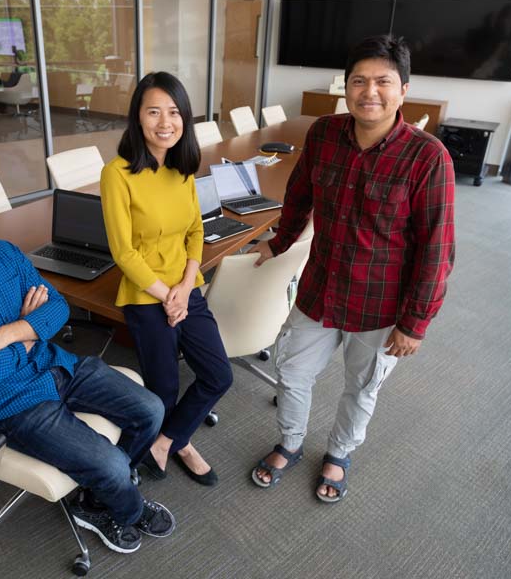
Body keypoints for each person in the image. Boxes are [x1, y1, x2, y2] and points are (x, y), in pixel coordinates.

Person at [0, 164, 175, 554]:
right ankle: (120, 509)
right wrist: (32, 330)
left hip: (57, 364)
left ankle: (100, 493)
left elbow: (59, 308)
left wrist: (10, 333)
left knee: (150, 409)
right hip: (9, 401)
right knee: (112, 465)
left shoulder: (5, 252)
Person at [250, 35, 455, 503]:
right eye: (358, 81)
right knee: (292, 372)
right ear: (345, 87)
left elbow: (437, 250)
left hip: (381, 304)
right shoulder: (323, 133)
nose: (370, 92)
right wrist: (277, 242)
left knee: (361, 388)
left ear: (403, 89)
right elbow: (300, 195)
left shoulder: (428, 157)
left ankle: (339, 454)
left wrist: (415, 324)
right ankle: (291, 443)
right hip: (320, 288)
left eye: (383, 82)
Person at [100, 72, 233, 486]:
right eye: (153, 111)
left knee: (218, 375)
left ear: (185, 118)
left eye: (174, 112)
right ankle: (179, 439)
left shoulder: (183, 169)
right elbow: (123, 252)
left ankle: (169, 440)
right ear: (137, 118)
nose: (165, 122)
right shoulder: (117, 174)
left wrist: (185, 284)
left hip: (186, 287)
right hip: (145, 296)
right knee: (164, 388)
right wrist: (166, 295)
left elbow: (196, 232)